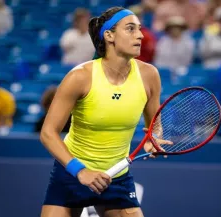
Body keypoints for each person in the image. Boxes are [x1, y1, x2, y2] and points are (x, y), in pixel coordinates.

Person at [40, 6, 171, 217]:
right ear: (109, 35)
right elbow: (48, 133)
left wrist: (153, 138)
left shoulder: (149, 75)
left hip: (117, 176)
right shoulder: (80, 77)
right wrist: (80, 171)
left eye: (139, 28)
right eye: (130, 29)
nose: (139, 35)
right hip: (72, 173)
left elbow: (154, 125)